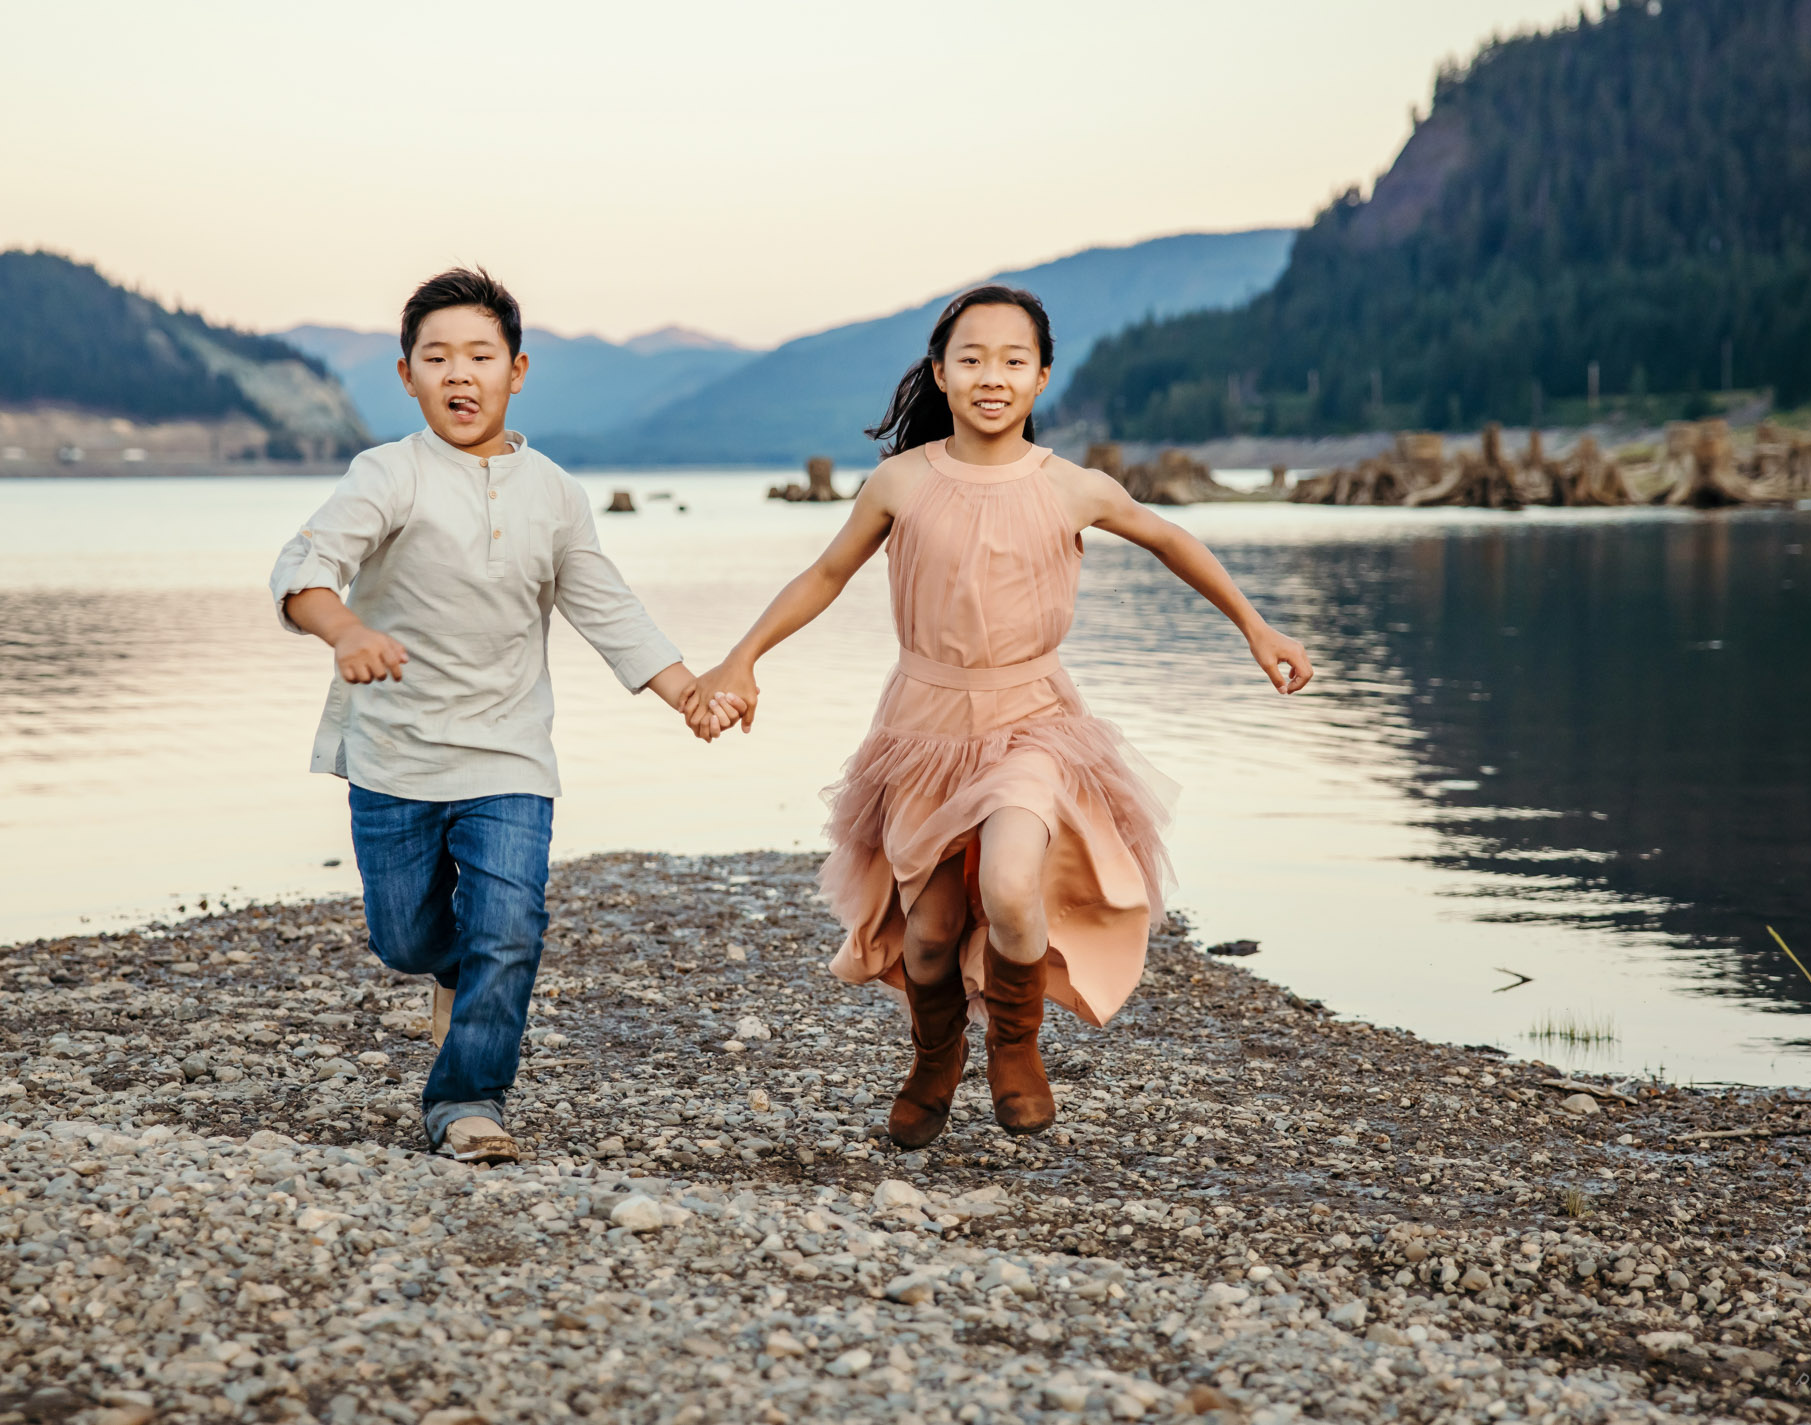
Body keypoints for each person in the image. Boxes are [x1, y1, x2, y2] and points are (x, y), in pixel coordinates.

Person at [686, 285, 1312, 1147]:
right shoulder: (901, 481)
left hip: (1034, 721)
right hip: (923, 728)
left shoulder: (1073, 486)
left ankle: (1016, 1044)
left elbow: (1170, 537)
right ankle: (936, 1054)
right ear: (940, 374)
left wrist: (1255, 624)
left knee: (1012, 882)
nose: (993, 375)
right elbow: (826, 575)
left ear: (1042, 376)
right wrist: (743, 655)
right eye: (972, 358)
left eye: (1014, 360)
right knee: (933, 935)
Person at [272, 267, 740, 1163]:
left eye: (479, 355)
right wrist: (344, 630)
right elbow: (303, 566)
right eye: (437, 356)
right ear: (406, 374)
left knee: (511, 924)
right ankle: (457, 967)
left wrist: (687, 692)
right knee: (406, 937)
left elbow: (606, 605)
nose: (460, 373)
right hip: (394, 753)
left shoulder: (554, 492)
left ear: (516, 370)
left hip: (510, 757)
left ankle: (466, 1098)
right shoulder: (389, 474)